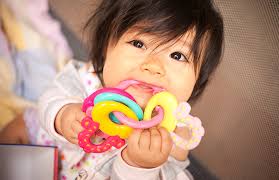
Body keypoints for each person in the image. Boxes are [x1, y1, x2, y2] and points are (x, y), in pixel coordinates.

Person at [0, 0, 223, 179]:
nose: (153, 66)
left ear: (198, 80)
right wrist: (62, 114)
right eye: (139, 44)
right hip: (51, 151)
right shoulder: (87, 77)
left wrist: (140, 167)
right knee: (18, 127)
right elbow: (51, 95)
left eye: (177, 56)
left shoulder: (174, 136)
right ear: (107, 47)